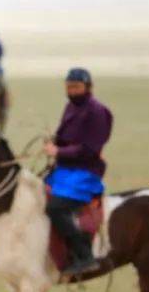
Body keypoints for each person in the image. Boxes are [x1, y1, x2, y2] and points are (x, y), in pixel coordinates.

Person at [44, 67, 113, 278]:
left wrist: (58, 151)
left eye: (76, 87)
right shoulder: (70, 107)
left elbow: (90, 149)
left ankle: (84, 256)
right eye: (69, 87)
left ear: (88, 87)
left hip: (85, 171)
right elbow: (66, 138)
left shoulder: (98, 112)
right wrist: (54, 142)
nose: (72, 91)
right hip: (64, 168)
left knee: (56, 207)